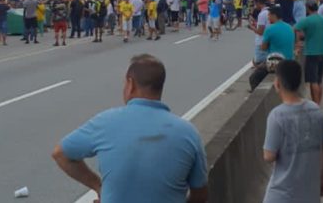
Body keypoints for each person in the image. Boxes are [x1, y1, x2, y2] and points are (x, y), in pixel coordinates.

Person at [52, 54, 208, 203]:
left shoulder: (105, 122)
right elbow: (200, 194)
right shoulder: (188, 133)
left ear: (130, 84)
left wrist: (99, 187)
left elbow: (60, 154)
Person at [263, 60, 323, 203]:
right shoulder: (315, 110)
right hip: (310, 194)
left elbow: (269, 156)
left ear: (278, 83)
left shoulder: (277, 116)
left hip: (282, 195)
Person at [295, 1, 323, 105]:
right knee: (319, 80)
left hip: (311, 52)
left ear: (308, 9)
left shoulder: (307, 20)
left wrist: (298, 44)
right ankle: (318, 102)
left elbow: (296, 29)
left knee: (313, 80)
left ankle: (315, 104)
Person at [248, 0, 269, 65]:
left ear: (258, 3)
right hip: (267, 41)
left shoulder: (262, 14)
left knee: (258, 63)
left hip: (261, 42)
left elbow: (260, 32)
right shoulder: (269, 11)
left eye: (255, 4)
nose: (255, 6)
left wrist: (251, 27)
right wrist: (256, 23)